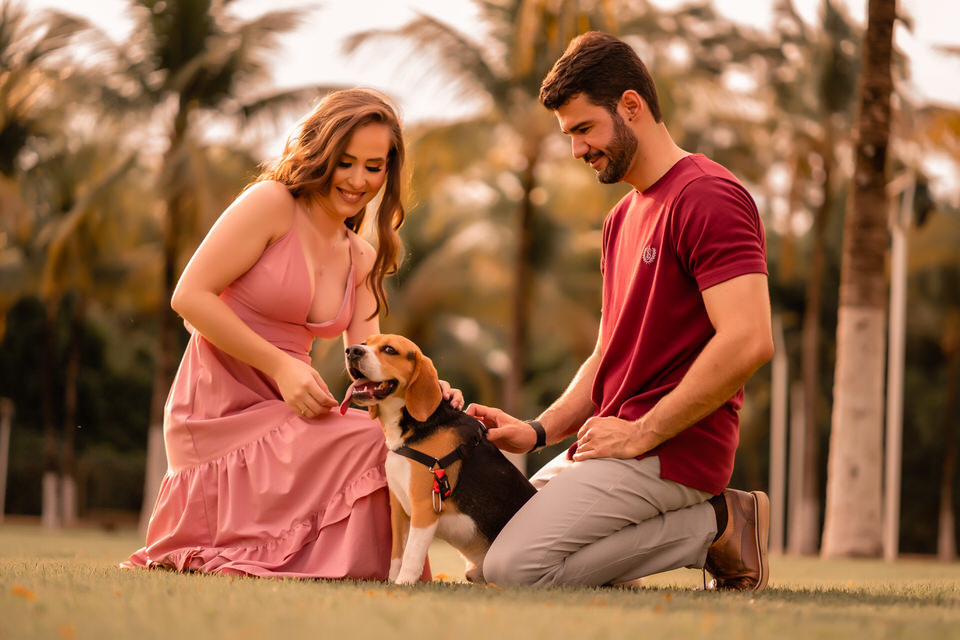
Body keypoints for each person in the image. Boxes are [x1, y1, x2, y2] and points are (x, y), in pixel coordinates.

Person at [467, 32, 774, 590]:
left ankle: (719, 523)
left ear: (631, 106)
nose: (577, 149)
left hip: (672, 450)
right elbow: (610, 353)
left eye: (584, 129)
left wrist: (640, 434)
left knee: (512, 570)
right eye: (570, 135)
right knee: (483, 559)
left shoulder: (708, 196)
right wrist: (538, 431)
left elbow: (749, 340)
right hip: (614, 443)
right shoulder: (621, 219)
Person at [123, 88, 461, 579]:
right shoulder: (271, 203)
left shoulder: (360, 257)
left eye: (374, 166)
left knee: (386, 442)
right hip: (220, 407)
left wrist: (421, 395)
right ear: (319, 153)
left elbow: (371, 370)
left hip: (291, 412)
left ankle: (375, 570)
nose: (357, 180)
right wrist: (282, 366)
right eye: (345, 162)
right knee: (371, 447)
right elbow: (189, 297)